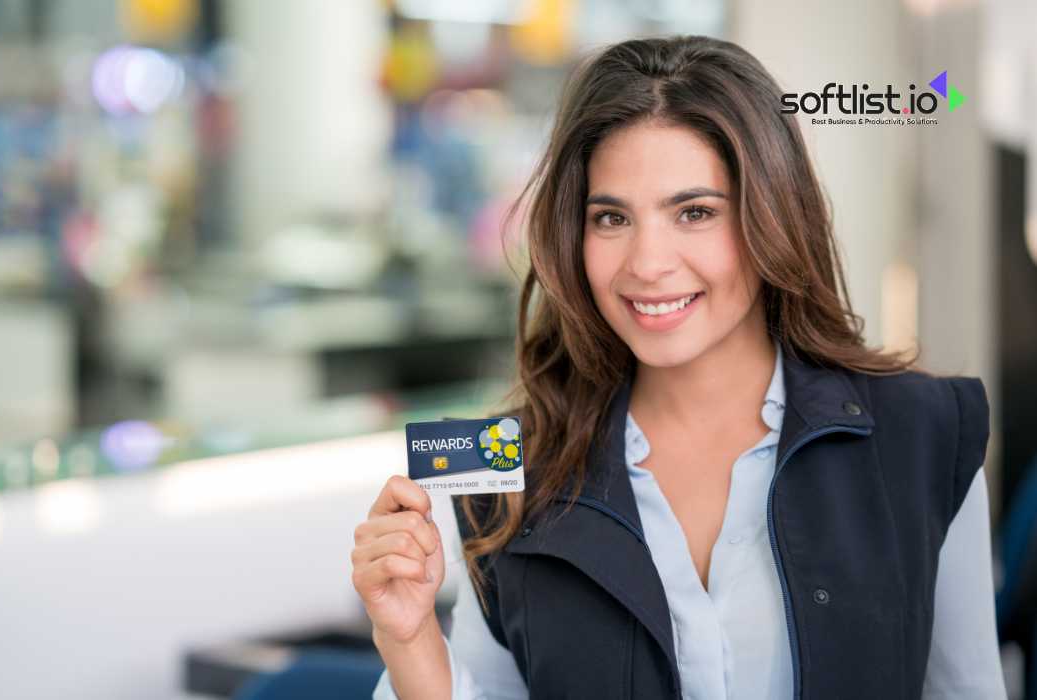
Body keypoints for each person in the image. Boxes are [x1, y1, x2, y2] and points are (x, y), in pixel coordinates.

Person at [351, 35, 1007, 699]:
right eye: (611, 218)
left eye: (694, 212)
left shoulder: (923, 434)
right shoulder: (504, 467)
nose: (647, 263)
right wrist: (408, 641)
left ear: (771, 216)